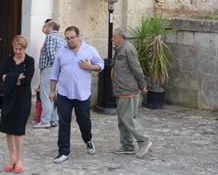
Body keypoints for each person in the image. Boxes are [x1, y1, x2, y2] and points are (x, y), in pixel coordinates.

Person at [48, 25, 104, 164]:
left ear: (78, 37)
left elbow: (101, 64)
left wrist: (91, 67)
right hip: (64, 94)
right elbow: (54, 73)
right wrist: (52, 91)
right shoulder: (61, 52)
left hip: (82, 94)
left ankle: (88, 139)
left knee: (83, 121)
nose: (70, 41)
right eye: (67, 38)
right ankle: (63, 151)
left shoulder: (89, 50)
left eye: (72, 38)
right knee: (64, 122)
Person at [111, 29, 152, 158]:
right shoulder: (119, 49)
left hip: (128, 90)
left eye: (114, 37)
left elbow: (137, 68)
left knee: (128, 119)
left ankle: (144, 141)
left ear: (120, 37)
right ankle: (127, 146)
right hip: (121, 90)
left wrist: (143, 84)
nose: (112, 39)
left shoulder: (128, 49)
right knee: (122, 120)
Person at [0, 35, 35, 174]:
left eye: (20, 49)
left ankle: (20, 159)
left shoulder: (30, 61)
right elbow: (0, 75)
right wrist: (15, 78)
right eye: (15, 48)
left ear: (24, 48)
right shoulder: (8, 59)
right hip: (9, 98)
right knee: (8, 129)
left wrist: (9, 78)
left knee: (18, 130)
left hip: (22, 99)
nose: (17, 51)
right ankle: (12, 158)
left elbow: (26, 80)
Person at [34, 19, 63, 129]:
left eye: (45, 25)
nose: (43, 27)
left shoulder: (50, 37)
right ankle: (54, 120)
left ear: (50, 27)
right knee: (54, 95)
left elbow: (51, 55)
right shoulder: (60, 38)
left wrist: (54, 68)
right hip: (57, 70)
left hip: (49, 69)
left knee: (45, 95)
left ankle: (45, 121)